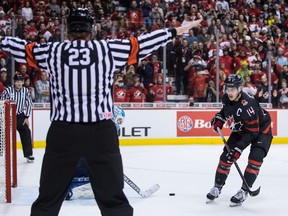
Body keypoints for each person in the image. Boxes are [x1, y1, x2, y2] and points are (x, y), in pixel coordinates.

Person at [0, 7, 202, 216]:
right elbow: (143, 43)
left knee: (47, 200)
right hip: (100, 133)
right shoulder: (108, 49)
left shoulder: (53, 51)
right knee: (114, 200)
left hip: (63, 132)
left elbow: (23, 48)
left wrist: (2, 39)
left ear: (68, 29)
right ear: (91, 29)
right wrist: (176, 30)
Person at [207, 74, 272, 206]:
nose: (229, 92)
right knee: (226, 157)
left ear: (239, 89)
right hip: (242, 128)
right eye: (227, 88)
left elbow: (253, 132)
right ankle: (217, 187)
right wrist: (219, 118)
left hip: (260, 131)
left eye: (233, 89)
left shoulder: (249, 105)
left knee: (255, 159)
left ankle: (244, 191)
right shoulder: (227, 98)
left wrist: (239, 148)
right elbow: (225, 111)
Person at [0, 74, 34, 162]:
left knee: (26, 132)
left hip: (20, 116)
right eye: (17, 81)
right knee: (4, 134)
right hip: (9, 116)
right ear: (14, 82)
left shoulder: (25, 91)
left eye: (21, 81)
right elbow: (2, 103)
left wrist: (26, 117)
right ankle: (2, 154)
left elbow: (29, 104)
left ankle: (28, 154)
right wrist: (3, 118)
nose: (19, 83)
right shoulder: (8, 90)